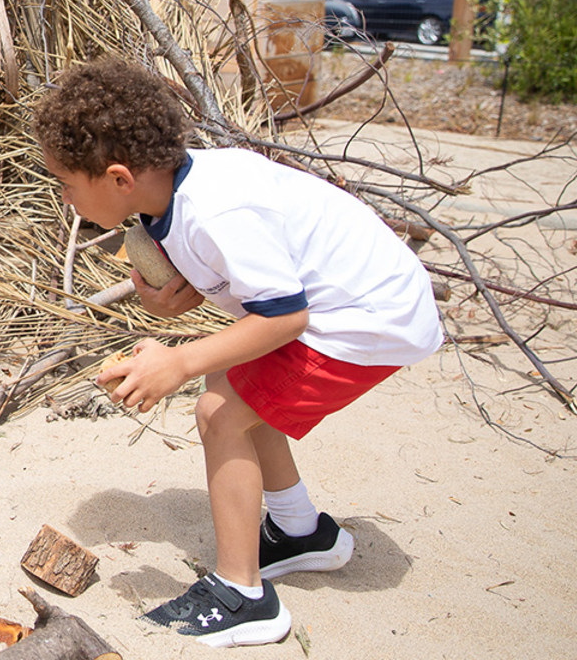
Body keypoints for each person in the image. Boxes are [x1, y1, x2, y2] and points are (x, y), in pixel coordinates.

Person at [34, 57, 443, 648]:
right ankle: (303, 533)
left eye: (68, 185)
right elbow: (246, 276)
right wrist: (185, 294)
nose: (66, 199)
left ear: (119, 178)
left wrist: (177, 361)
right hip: (350, 308)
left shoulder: (216, 207)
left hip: (367, 321)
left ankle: (244, 596)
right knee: (230, 377)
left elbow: (287, 315)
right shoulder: (169, 196)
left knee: (220, 412)